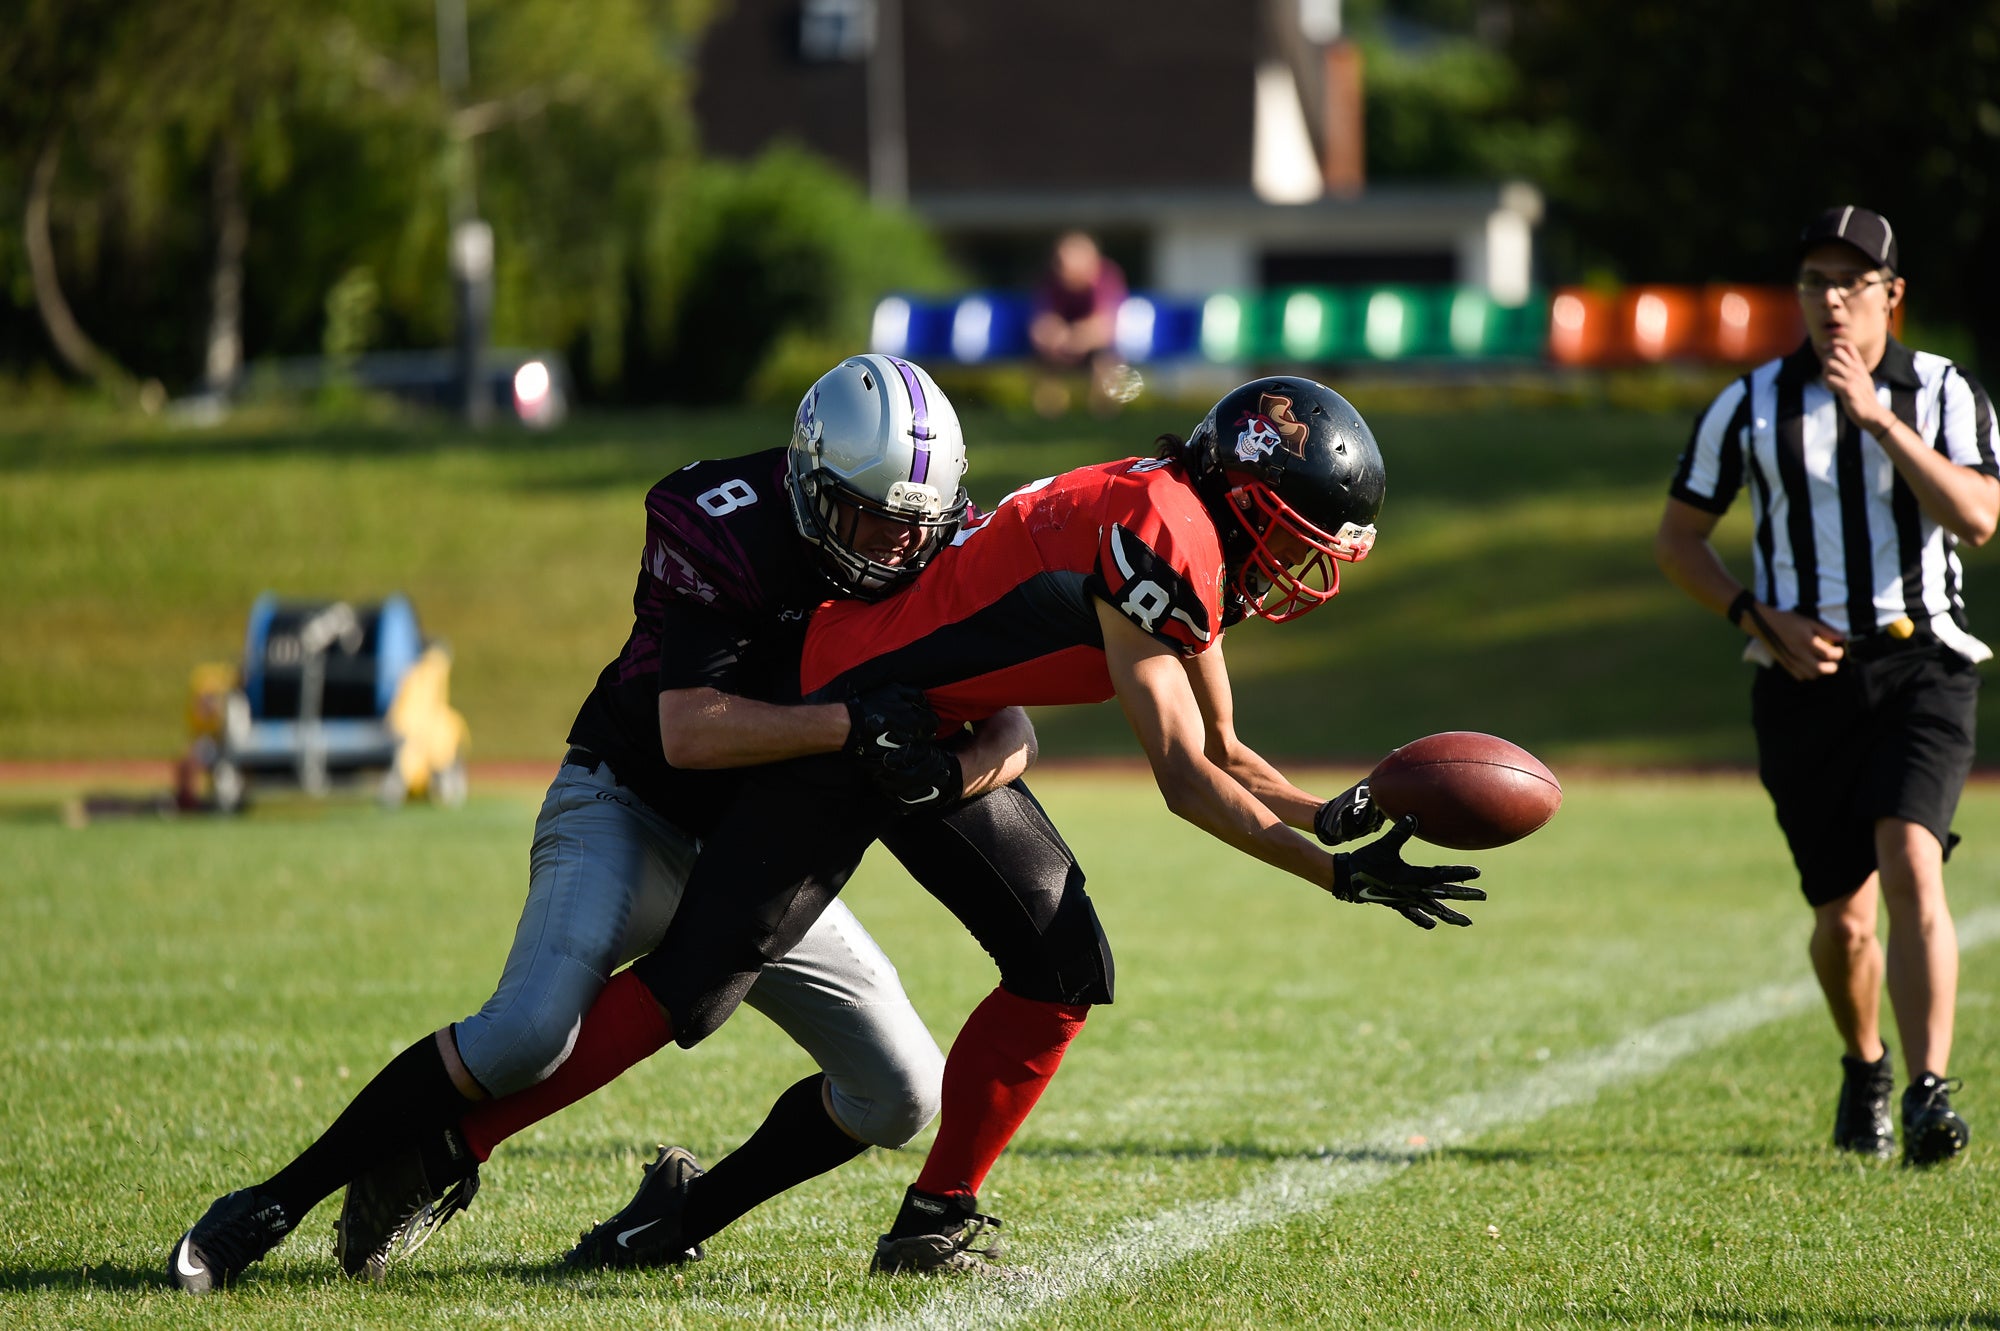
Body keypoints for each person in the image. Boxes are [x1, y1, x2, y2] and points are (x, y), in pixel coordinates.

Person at [439, 376, 1486, 1275]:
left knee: (1059, 962)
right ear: (1244, 497)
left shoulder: (1179, 513)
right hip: (856, 704)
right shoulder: (1159, 532)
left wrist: (1340, 816)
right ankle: (455, 1138)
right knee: (696, 979)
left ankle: (921, 1222)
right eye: (1291, 535)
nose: (1299, 567)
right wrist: (1330, 877)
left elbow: (1225, 744)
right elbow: (1182, 779)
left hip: (940, 723)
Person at [167, 354, 1046, 1292]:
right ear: (807, 479)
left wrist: (947, 771)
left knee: (900, 1088)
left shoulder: (939, 541)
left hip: (765, 859)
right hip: (632, 807)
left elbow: (1014, 723)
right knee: (525, 1033)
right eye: (864, 517)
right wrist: (853, 727)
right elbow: (691, 731)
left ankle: (679, 1214)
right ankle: (266, 1205)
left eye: (911, 529)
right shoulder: (725, 524)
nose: (889, 552)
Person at [1656, 205, 1994, 1167]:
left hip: (1922, 660)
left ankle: (1930, 1091)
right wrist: (1755, 616)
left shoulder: (1941, 393)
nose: (1832, 300)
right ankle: (1867, 1064)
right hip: (1801, 677)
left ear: (1892, 294)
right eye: (1814, 281)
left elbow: (1977, 517)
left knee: (1911, 860)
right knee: (1843, 920)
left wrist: (1877, 419)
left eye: (1852, 282)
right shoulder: (1748, 403)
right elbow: (1678, 540)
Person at [1028, 231, 1133, 415]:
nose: (1062, 268)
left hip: (1098, 349)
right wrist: (1054, 337)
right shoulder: (1051, 281)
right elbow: (1041, 323)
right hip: (1062, 346)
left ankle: (1103, 411)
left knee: (1104, 358)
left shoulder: (1106, 277)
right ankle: (1051, 412)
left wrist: (1077, 338)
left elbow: (1106, 327)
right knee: (1044, 356)